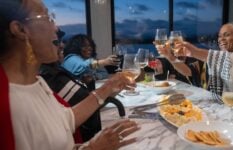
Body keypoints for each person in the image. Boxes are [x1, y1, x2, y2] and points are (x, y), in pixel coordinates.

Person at [0, 0, 140, 149]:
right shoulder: (7, 106)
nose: (56, 27)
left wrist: (108, 88)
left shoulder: (36, 82)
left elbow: (66, 120)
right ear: (20, 29)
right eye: (47, 17)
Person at [154, 21, 233, 88]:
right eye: (219, 36)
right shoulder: (210, 58)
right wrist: (169, 56)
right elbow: (187, 71)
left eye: (226, 35)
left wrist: (195, 51)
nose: (221, 39)